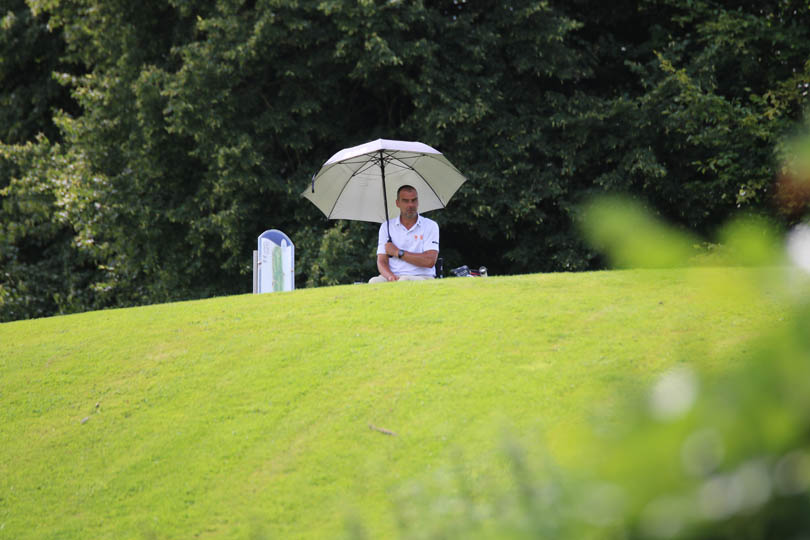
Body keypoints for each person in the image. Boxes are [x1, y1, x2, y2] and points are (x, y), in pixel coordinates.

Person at [368, 185, 439, 283]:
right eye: (406, 201)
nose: (410, 205)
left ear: (418, 202)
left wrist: (397, 252)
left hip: (423, 277)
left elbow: (429, 261)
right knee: (374, 281)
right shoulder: (386, 226)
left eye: (414, 200)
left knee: (404, 281)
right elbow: (381, 261)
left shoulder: (430, 225)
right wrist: (390, 277)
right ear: (398, 203)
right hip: (393, 276)